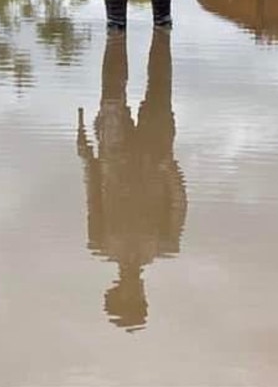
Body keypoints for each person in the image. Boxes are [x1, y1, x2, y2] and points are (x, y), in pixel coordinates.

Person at [76, 29, 187, 331]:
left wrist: (86, 156)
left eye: (126, 297)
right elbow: (178, 203)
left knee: (115, 91)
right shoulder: (165, 245)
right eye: (134, 298)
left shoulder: (100, 244)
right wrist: (168, 166)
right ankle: (123, 31)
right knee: (158, 87)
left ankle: (134, 32)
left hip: (120, 158)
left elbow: (92, 194)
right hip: (149, 156)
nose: (132, 291)